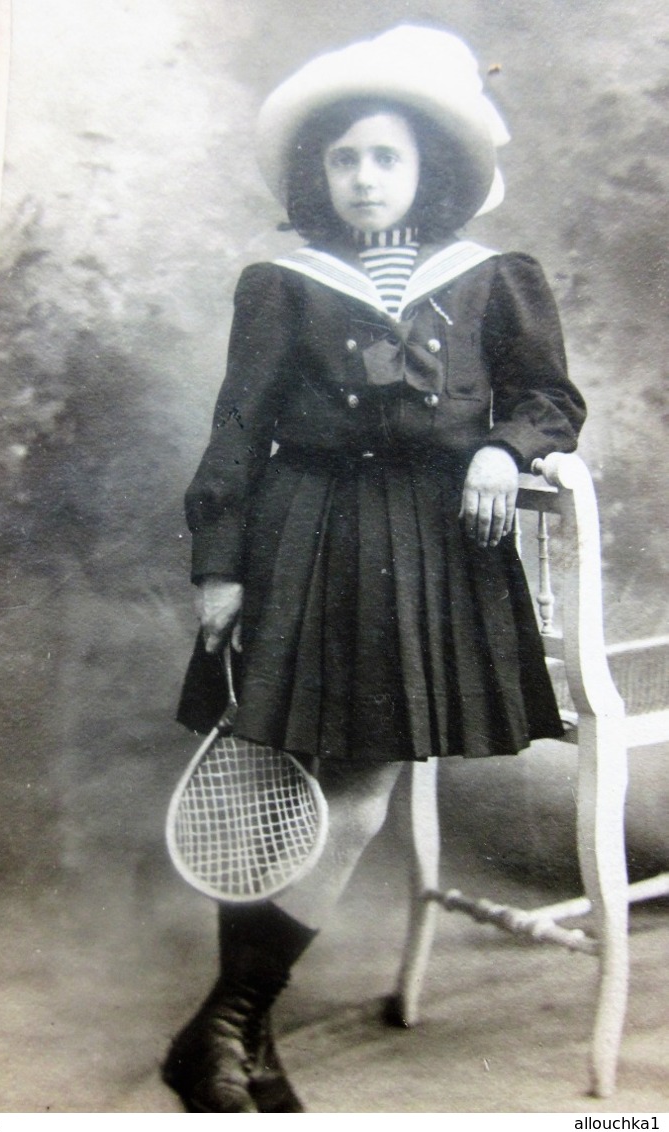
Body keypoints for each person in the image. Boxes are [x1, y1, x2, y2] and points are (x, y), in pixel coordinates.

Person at [162, 24, 587, 1113]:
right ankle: (232, 1037)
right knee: (274, 772)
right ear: (320, 171)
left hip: (429, 547)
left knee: (354, 785)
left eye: (384, 157)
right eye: (343, 157)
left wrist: (503, 446)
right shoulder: (281, 278)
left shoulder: (494, 276)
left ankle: (227, 1025)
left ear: (427, 168)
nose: (361, 177)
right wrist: (220, 565)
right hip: (303, 531)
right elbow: (237, 426)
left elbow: (548, 399)